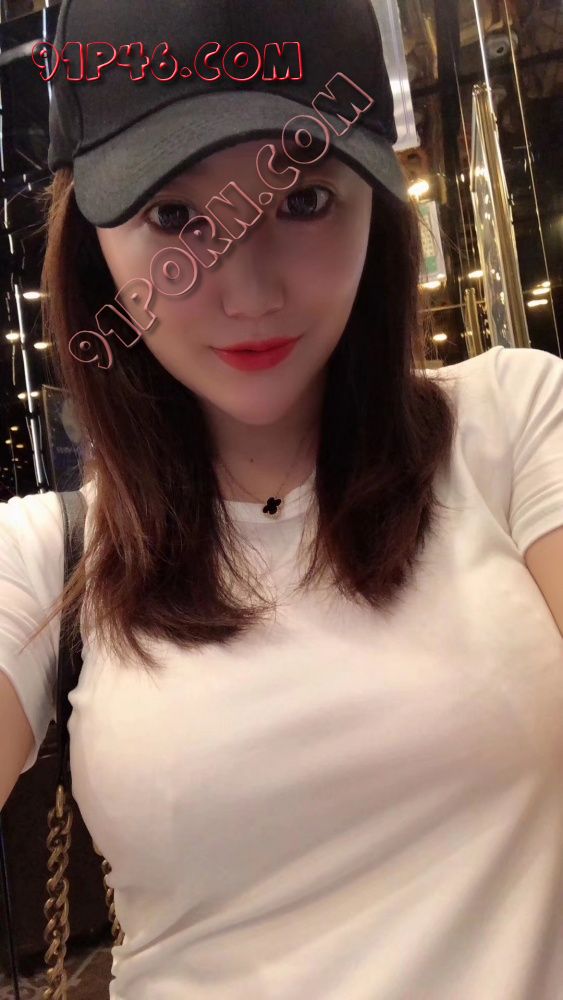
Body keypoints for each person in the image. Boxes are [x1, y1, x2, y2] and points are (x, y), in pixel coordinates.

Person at [1, 1, 562, 998]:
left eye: (302, 199)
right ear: (95, 246)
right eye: (174, 216)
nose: (248, 290)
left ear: (377, 207)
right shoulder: (49, 556)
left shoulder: (511, 426)